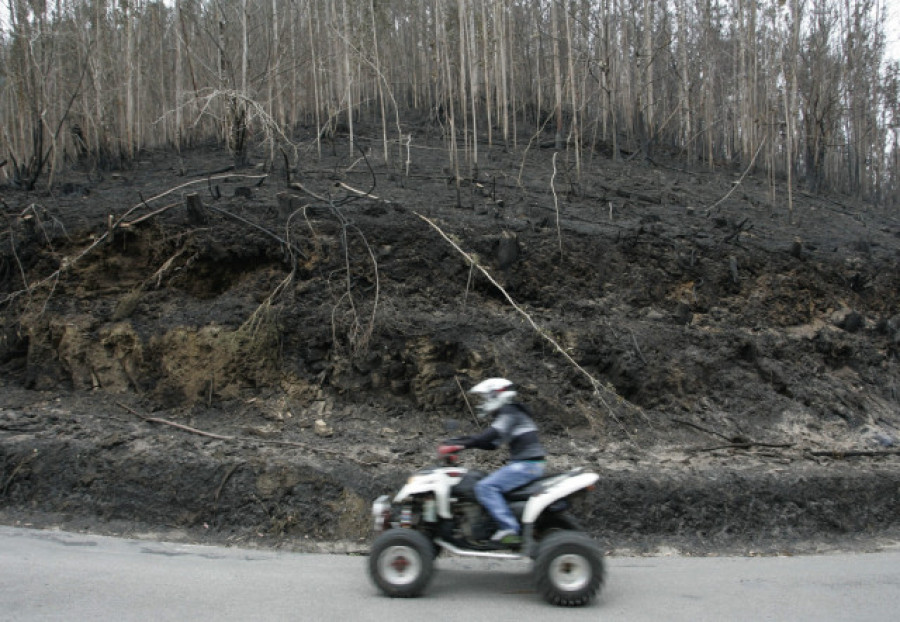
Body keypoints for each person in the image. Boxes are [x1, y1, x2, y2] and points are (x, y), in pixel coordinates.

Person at [445, 378, 546, 545]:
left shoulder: (509, 411)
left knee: (485, 486)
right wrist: (460, 443)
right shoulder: (513, 413)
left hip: (527, 465)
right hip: (529, 464)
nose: (484, 402)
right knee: (484, 481)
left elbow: (490, 435)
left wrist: (460, 444)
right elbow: (491, 444)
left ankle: (509, 529)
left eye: (486, 397)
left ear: (496, 394)